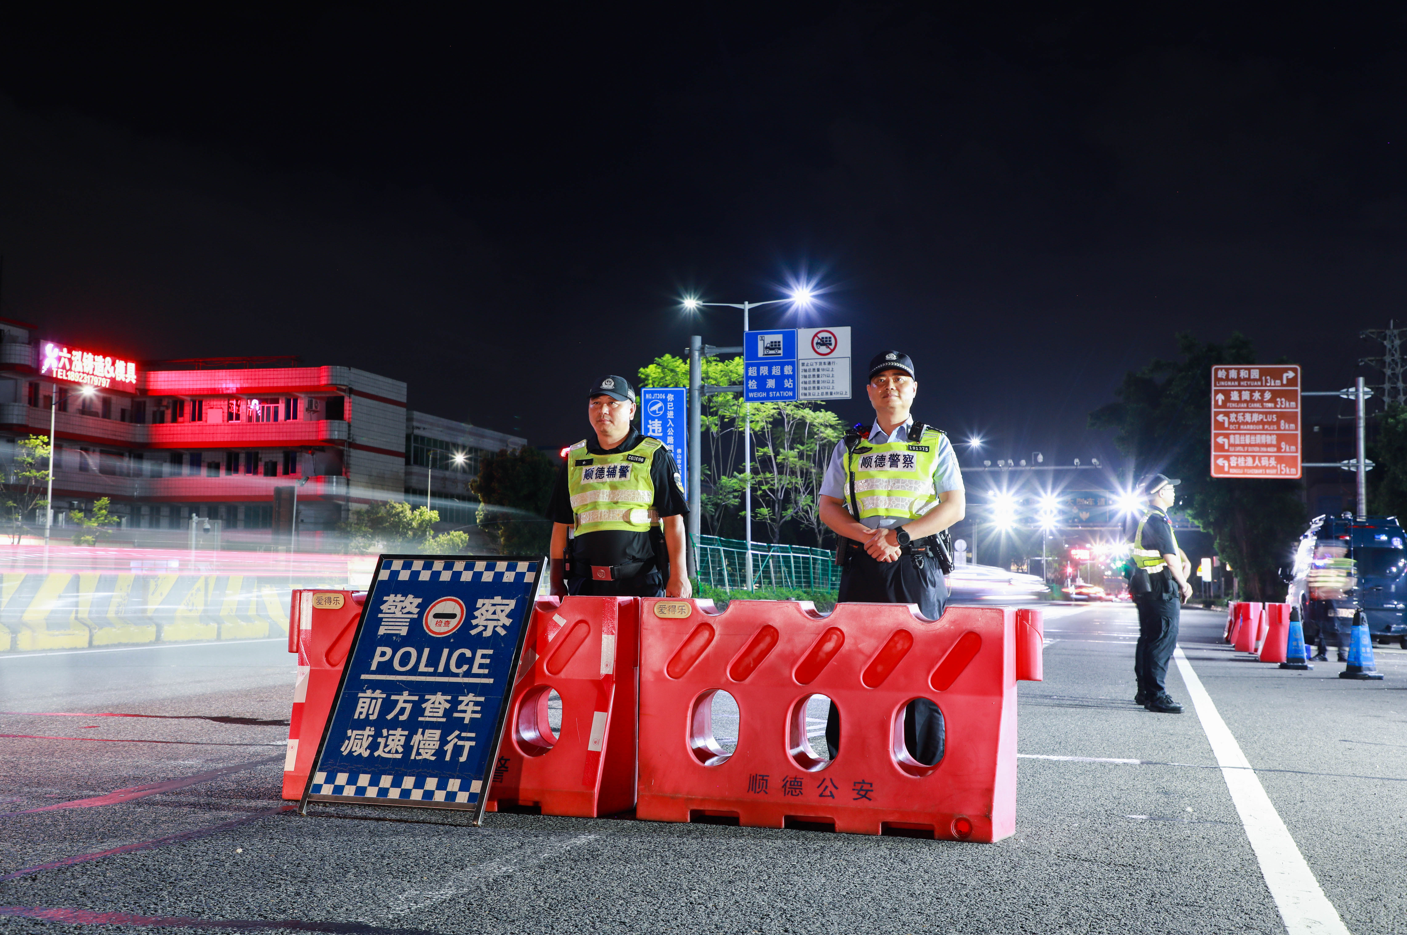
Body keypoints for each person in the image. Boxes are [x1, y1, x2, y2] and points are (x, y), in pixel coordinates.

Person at [817, 351, 966, 763]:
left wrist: (898, 535)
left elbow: (954, 506)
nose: (890, 387)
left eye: (899, 379)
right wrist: (867, 536)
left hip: (916, 564)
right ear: (869, 391)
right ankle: (849, 763)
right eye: (880, 380)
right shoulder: (851, 444)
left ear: (914, 389)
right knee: (853, 664)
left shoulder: (934, 442)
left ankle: (920, 766)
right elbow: (828, 506)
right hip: (862, 562)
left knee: (919, 667)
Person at [547, 375, 691, 599]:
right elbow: (561, 526)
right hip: (584, 585)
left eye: (612, 403)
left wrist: (679, 575)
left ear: (631, 410)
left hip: (641, 584)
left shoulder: (654, 454)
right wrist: (556, 583)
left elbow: (674, 521)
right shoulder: (575, 458)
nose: (603, 410)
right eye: (596, 403)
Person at [1128, 474, 1193, 713]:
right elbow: (1170, 558)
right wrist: (1184, 584)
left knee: (1148, 638)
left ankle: (1145, 692)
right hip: (1160, 587)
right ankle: (1156, 695)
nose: (1174, 493)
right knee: (1162, 638)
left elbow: (1167, 549)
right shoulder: (1158, 520)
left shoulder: (1146, 518)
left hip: (1146, 585)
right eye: (1170, 489)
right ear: (1160, 493)